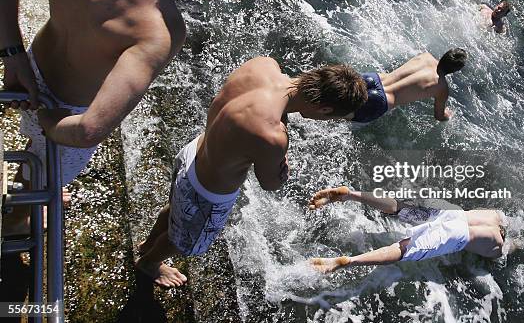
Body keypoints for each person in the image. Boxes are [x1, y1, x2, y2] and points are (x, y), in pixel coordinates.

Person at [0, 0, 257, 235]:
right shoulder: (160, 29)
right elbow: (89, 130)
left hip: (30, 70)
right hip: (64, 111)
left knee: (34, 157)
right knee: (42, 176)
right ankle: (16, 218)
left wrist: (12, 55)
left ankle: (31, 178)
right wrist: (48, 122)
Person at [135, 57, 368, 287]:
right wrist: (280, 166)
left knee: (175, 207)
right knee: (184, 241)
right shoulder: (273, 135)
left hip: (191, 154)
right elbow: (270, 183)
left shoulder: (263, 65)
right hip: (206, 192)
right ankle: (149, 262)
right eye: (331, 117)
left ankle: (148, 244)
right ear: (325, 108)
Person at [308, 186, 504, 273]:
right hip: (457, 234)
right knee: (404, 250)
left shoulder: (494, 215)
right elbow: (500, 253)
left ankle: (350, 194)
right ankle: (349, 261)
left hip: (453, 212)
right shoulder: (497, 246)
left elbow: (505, 220)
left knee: (399, 207)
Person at [349, 49, 467, 124]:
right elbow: (439, 116)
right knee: (336, 117)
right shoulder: (442, 88)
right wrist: (448, 116)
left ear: (445, 55)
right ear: (455, 70)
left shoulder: (425, 56)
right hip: (380, 100)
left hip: (374, 79)